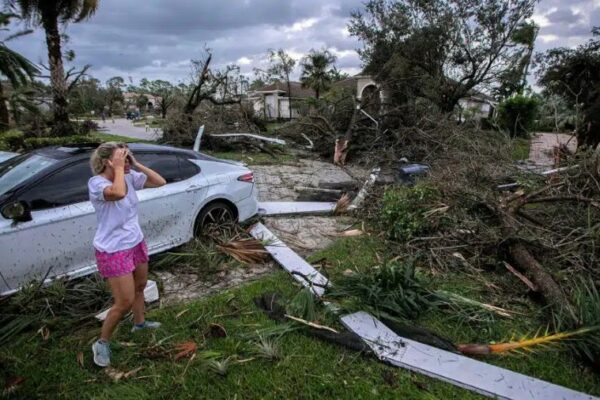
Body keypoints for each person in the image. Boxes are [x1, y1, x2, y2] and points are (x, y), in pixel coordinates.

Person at [88, 142, 166, 367]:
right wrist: (121, 169)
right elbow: (118, 193)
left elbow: (160, 182)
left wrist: (135, 164)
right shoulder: (97, 183)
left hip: (135, 242)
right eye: (120, 157)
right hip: (113, 249)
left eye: (126, 156)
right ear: (107, 162)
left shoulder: (129, 176)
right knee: (124, 301)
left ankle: (139, 323)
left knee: (140, 286)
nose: (125, 159)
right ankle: (102, 343)